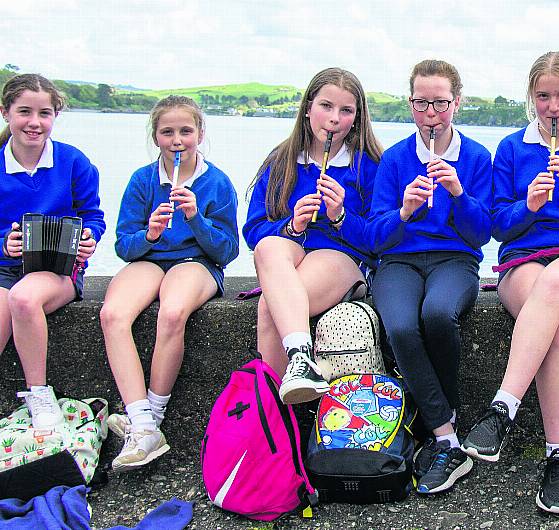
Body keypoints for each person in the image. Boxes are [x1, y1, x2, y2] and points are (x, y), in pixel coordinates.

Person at [460, 51, 559, 515]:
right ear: (532, 97)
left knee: (555, 285)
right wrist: (528, 206)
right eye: (544, 96)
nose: (554, 107)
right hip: (523, 259)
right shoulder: (512, 148)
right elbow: (498, 227)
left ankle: (502, 407)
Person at [367, 59, 492, 494]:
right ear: (410, 104)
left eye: (440, 103)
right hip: (400, 261)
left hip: (455, 260)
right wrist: (403, 211)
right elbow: (377, 237)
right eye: (422, 103)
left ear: (456, 102)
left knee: (439, 313)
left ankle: (441, 417)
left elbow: (481, 233)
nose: (432, 114)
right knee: (400, 324)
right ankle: (446, 434)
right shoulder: (396, 159)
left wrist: (458, 193)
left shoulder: (476, 156)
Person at [100, 95, 239, 471]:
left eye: (185, 131)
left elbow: (227, 251)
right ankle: (140, 419)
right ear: (156, 136)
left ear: (200, 133)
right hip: (151, 259)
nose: (177, 141)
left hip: (197, 263)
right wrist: (150, 234)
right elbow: (123, 246)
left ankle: (152, 419)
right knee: (113, 314)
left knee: (172, 311)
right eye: (167, 132)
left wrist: (195, 218)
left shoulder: (217, 182)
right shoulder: (143, 180)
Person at [243, 67, 382, 404]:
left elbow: (379, 240)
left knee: (269, 306)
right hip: (290, 257)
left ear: (356, 119)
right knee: (270, 246)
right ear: (307, 108)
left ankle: (275, 414)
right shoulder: (282, 161)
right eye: (326, 106)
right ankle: (299, 360)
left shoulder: (368, 166)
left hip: (341, 261)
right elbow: (253, 231)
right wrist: (292, 226)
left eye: (345, 111)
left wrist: (340, 216)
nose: (334, 119)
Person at [0, 74, 104, 429]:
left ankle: (40, 395)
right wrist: (4, 242)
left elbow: (93, 216)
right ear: (6, 113)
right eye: (24, 111)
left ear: (54, 117)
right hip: (3, 269)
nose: (34, 122)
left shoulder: (73, 161)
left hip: (57, 269)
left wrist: (89, 237)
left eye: (44, 113)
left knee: (25, 300)